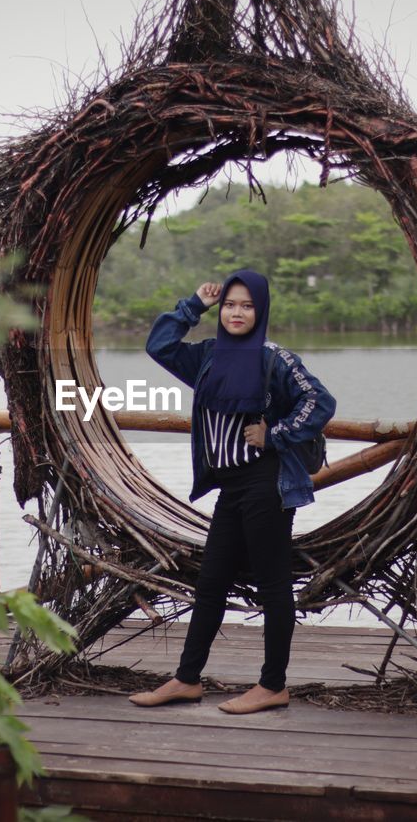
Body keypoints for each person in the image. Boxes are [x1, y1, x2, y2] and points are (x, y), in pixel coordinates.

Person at [129, 270, 336, 714]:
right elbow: (159, 346)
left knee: (273, 585)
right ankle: (186, 679)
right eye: (229, 305)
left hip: (268, 481)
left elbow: (319, 403)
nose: (236, 313)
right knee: (211, 583)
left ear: (260, 311)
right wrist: (193, 305)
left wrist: (275, 434)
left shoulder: (274, 358)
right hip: (230, 486)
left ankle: (273, 685)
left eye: (246, 305)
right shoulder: (207, 356)